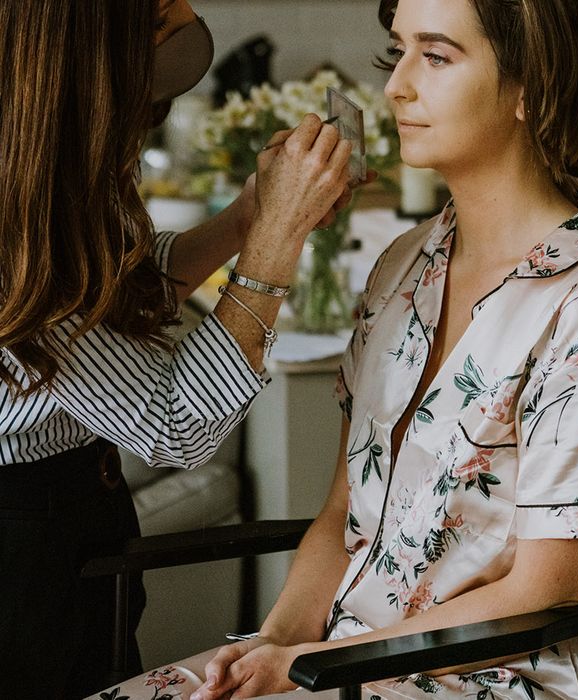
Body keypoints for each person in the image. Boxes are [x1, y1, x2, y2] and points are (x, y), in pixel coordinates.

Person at [88, 0, 578, 698]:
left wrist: (314, 664)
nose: (395, 85)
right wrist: (275, 643)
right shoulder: (404, 264)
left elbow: (550, 592)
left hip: (497, 674)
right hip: (344, 652)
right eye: (396, 52)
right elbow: (342, 518)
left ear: (530, 88)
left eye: (435, 55)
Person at [0, 0, 357, 697]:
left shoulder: (45, 160)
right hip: (21, 553)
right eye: (162, 9)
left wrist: (246, 218)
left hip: (74, 511)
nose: (188, 13)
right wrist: (275, 240)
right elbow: (175, 422)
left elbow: (115, 292)